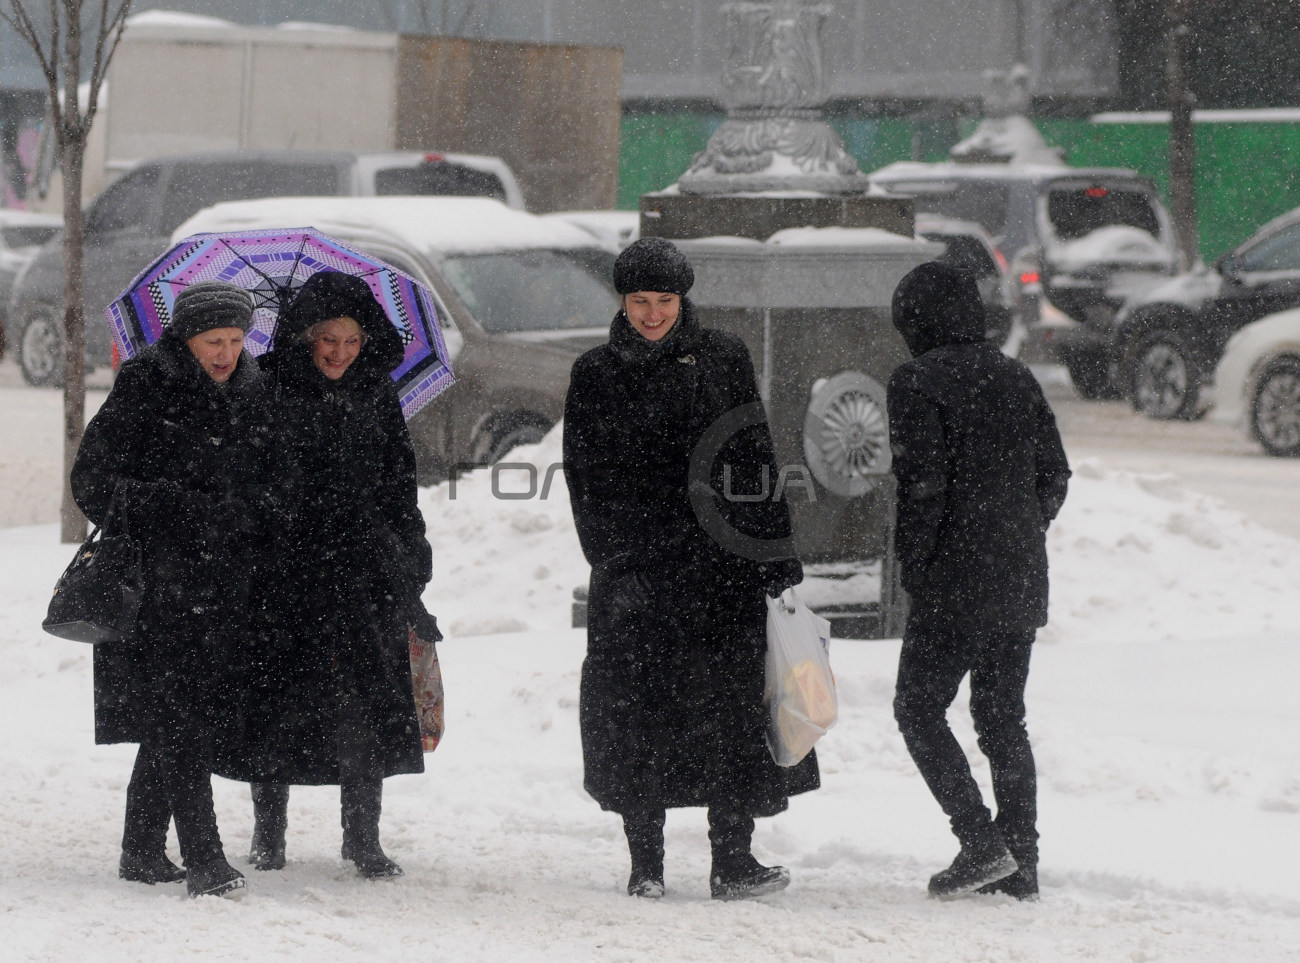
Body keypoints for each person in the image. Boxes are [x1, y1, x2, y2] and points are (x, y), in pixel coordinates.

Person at [563, 237, 817, 902]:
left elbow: (754, 453)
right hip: (637, 575)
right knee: (636, 714)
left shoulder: (723, 357)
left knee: (730, 715)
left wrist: (774, 548)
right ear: (622, 300)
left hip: (720, 570)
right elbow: (585, 481)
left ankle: (732, 858)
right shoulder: (594, 372)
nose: (652, 314)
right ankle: (644, 863)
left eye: (665, 301)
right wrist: (615, 559)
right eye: (640, 301)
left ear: (685, 298)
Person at [213, 271, 431, 880]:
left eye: (352, 342)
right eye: (328, 340)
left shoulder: (376, 393)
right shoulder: (266, 388)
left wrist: (411, 550)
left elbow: (399, 482)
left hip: (363, 575)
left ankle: (363, 838)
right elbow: (246, 480)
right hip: (287, 576)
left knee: (363, 706)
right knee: (277, 702)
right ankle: (269, 832)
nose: (340, 353)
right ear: (306, 338)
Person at [71, 280, 278, 899]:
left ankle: (140, 850)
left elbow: (273, 474)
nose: (225, 353)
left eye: (237, 340)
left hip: (226, 584)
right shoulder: (145, 384)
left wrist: (258, 510)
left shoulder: (253, 388)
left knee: (181, 716)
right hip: (157, 585)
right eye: (213, 341)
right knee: (180, 716)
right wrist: (172, 506)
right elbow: (93, 478)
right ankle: (204, 856)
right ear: (186, 338)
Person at [886, 261, 1071, 900]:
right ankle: (1021, 860)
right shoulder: (1015, 374)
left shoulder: (915, 381)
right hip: (1019, 576)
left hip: (954, 579)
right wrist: (1018, 531)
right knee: (1001, 718)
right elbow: (1056, 474)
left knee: (916, 707)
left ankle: (979, 842)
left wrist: (916, 565)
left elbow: (923, 487)